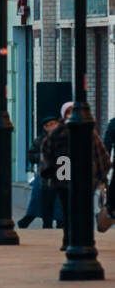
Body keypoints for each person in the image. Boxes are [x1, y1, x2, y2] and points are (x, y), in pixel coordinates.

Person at [40, 102, 111, 251]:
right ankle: (76, 239)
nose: (70, 115)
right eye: (68, 112)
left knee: (75, 209)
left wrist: (103, 174)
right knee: (72, 209)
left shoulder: (69, 131)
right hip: (72, 172)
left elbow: (99, 152)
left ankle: (75, 239)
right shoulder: (81, 131)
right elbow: (47, 152)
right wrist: (102, 173)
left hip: (74, 172)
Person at [19, 115, 63, 229]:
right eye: (48, 125)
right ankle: (45, 225)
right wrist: (43, 157)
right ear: (44, 128)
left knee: (60, 203)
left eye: (53, 124)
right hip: (45, 176)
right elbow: (31, 156)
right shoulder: (40, 140)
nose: (51, 127)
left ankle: (60, 224)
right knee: (44, 201)